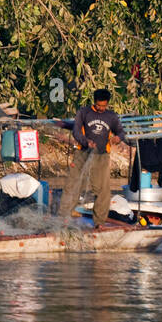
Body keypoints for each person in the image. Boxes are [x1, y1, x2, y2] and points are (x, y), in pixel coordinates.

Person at [69, 88, 130, 227]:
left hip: (101, 156)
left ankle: (99, 222)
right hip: (83, 154)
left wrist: (118, 138)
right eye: (98, 105)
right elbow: (76, 131)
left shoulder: (111, 116)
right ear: (94, 102)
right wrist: (86, 141)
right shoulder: (84, 113)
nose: (101, 108)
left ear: (107, 104)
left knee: (102, 191)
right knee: (75, 186)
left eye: (104, 105)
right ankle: (66, 216)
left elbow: (121, 132)